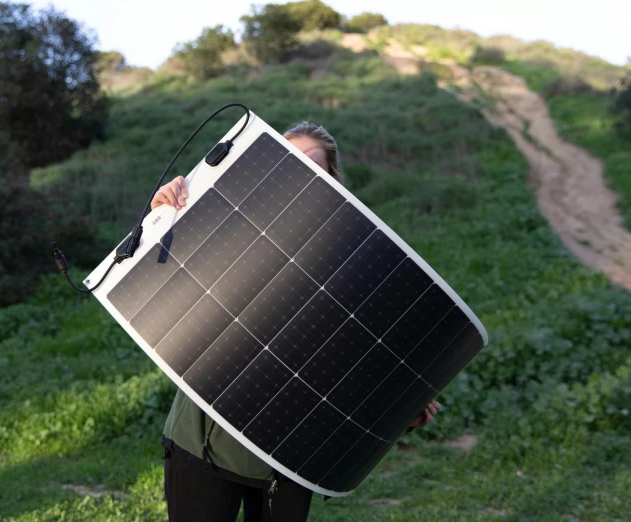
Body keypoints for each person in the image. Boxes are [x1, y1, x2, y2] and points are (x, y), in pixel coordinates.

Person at [151, 122, 442, 522]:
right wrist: (164, 217)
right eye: (288, 162)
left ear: (333, 181)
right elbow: (158, 293)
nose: (300, 176)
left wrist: (400, 401)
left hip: (290, 455)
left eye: (313, 169)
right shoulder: (222, 223)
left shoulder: (354, 257)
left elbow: (367, 349)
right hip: (205, 441)